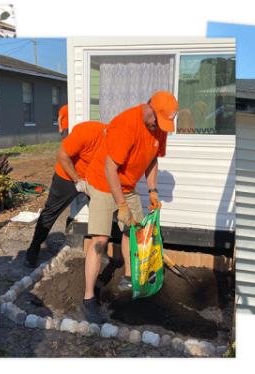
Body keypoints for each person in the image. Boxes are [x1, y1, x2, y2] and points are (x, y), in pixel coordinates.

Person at [79, 91, 176, 324]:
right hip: (104, 183)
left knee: (132, 230)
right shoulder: (126, 125)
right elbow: (109, 169)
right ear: (150, 108)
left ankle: (129, 277)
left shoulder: (158, 128)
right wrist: (121, 205)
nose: (158, 126)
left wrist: (152, 191)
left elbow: (153, 159)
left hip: (128, 184)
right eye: (157, 120)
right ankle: (88, 298)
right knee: (100, 240)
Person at [24, 121, 106, 268]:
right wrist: (78, 181)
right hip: (67, 176)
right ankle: (33, 248)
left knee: (104, 211)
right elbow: (61, 155)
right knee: (50, 212)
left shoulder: (118, 141)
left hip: (93, 178)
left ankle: (101, 251)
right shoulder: (87, 131)